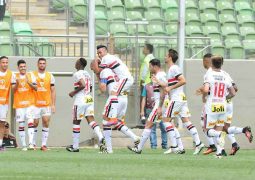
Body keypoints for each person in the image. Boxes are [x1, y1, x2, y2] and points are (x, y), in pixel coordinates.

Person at [90, 59, 139, 153]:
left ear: (96, 65)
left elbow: (103, 89)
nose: (93, 71)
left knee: (105, 120)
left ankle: (109, 149)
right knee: (117, 123)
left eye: (93, 69)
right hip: (124, 98)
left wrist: (98, 76)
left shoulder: (104, 72)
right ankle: (135, 137)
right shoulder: (111, 70)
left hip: (115, 98)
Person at [163, 49, 204, 155]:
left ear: (170, 57)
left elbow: (183, 80)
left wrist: (170, 88)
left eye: (166, 55)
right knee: (186, 121)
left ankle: (174, 147)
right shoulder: (171, 69)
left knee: (166, 120)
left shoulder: (174, 68)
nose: (164, 57)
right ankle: (199, 143)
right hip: (181, 98)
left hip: (177, 99)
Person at [128, 59, 171, 154]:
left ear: (155, 66)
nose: (149, 68)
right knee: (167, 125)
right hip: (163, 102)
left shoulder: (159, 76)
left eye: (150, 66)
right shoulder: (161, 75)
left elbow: (163, 91)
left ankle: (139, 148)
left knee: (149, 124)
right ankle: (177, 146)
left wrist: (159, 106)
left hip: (160, 103)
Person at [66, 58, 106, 153]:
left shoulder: (77, 73)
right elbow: (90, 87)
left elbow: (83, 85)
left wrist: (73, 92)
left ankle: (75, 147)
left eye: (76, 62)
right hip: (89, 98)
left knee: (76, 122)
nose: (75, 64)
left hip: (80, 99)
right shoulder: (88, 74)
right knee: (91, 120)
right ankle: (101, 137)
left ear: (80, 64)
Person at [201, 55, 236, 158]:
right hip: (222, 105)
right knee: (219, 128)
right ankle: (219, 153)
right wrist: (225, 98)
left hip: (212, 104)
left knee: (207, 130)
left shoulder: (209, 74)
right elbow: (233, 93)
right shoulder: (225, 75)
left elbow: (206, 89)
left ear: (212, 63)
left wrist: (204, 97)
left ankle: (218, 136)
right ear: (221, 63)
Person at [12, 59, 37, 151]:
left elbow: (36, 88)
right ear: (18, 68)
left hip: (30, 103)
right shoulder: (15, 76)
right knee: (21, 124)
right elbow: (13, 90)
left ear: (26, 66)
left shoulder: (31, 75)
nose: (23, 68)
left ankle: (30, 144)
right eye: (21, 67)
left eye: (24, 66)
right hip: (19, 105)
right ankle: (24, 145)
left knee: (30, 122)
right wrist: (18, 83)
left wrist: (28, 82)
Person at [33, 58, 56, 151]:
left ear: (45, 65)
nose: (42, 65)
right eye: (40, 63)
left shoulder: (50, 76)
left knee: (46, 122)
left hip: (46, 104)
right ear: (37, 64)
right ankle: (33, 144)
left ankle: (43, 145)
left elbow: (53, 91)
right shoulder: (33, 75)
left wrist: (53, 104)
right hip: (35, 104)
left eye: (43, 63)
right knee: (35, 123)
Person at [140, 81, 167, 149]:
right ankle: (153, 146)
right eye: (151, 75)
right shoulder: (146, 86)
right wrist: (142, 110)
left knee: (164, 127)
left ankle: (164, 145)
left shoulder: (161, 84)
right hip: (150, 109)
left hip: (160, 109)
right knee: (152, 129)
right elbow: (143, 98)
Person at [0, 56, 16, 151]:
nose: (5, 64)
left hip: (4, 103)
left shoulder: (11, 74)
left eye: (6, 62)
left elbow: (13, 88)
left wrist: (17, 84)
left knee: (2, 124)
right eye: (3, 62)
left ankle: (0, 144)